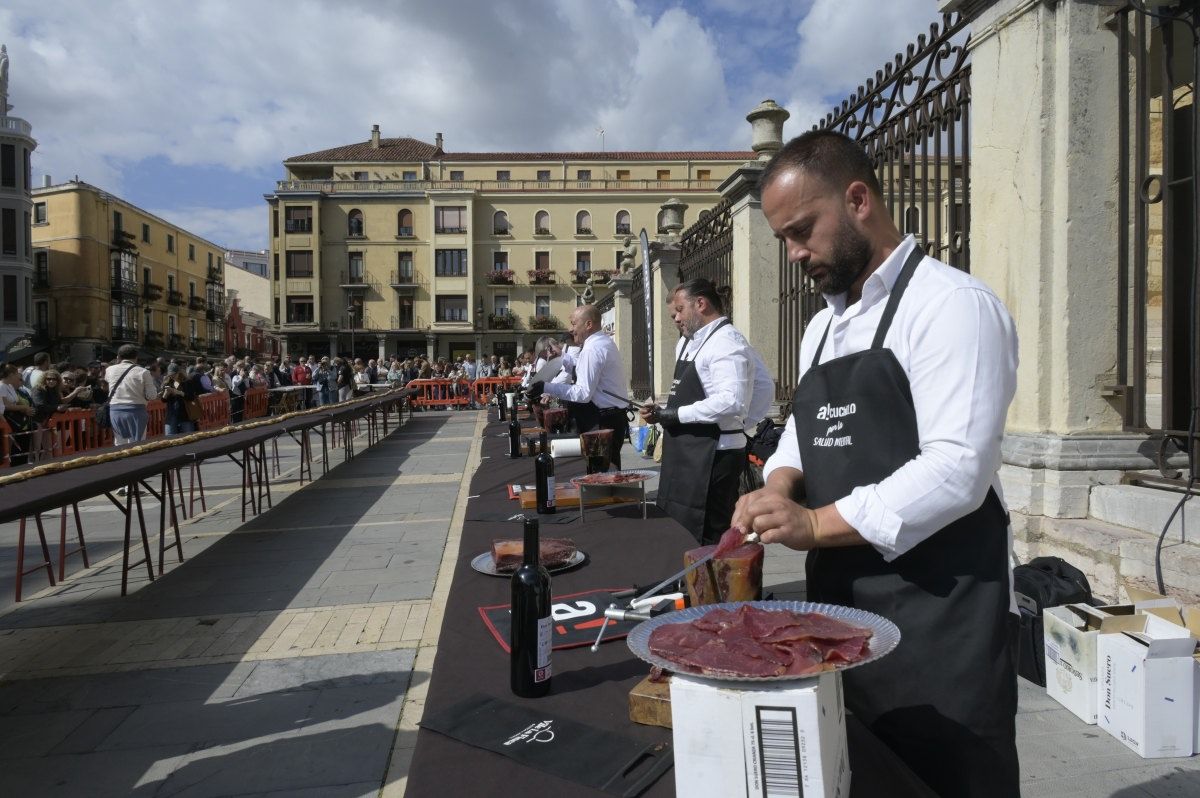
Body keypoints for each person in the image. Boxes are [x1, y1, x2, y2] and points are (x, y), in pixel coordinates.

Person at [732, 129, 1020, 798]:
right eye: (783, 240)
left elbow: (957, 469)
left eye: (802, 230)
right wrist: (777, 484)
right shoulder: (822, 328)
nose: (795, 253)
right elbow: (807, 431)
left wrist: (810, 525)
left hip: (939, 619)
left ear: (858, 199)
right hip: (839, 612)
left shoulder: (951, 306)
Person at [640, 278, 771, 545]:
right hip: (685, 450)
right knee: (679, 524)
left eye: (679, 310)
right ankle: (688, 582)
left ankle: (713, 586)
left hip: (715, 454)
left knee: (709, 530)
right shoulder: (688, 342)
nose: (675, 318)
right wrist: (664, 411)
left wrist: (740, 424)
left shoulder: (727, 341)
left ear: (700, 303)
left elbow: (733, 400)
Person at [528, 304, 630, 470]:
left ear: (588, 324)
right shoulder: (601, 342)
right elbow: (583, 368)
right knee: (605, 473)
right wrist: (563, 356)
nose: (571, 329)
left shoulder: (592, 348)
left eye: (574, 324)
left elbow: (583, 393)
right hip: (609, 418)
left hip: (602, 421)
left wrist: (546, 387)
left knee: (602, 476)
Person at [105, 344, 158, 445]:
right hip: (136, 410)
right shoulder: (143, 372)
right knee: (137, 445)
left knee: (120, 443)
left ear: (118, 357)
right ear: (136, 357)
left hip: (115, 410)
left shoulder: (109, 370)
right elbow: (152, 396)